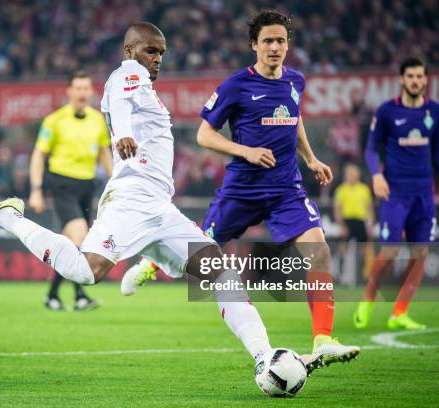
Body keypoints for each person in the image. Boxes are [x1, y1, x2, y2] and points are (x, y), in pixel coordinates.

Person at [0, 22, 322, 375]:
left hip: (160, 209)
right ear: (130, 50)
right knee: (86, 272)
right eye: (151, 50)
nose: (157, 59)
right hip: (131, 201)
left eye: (161, 53)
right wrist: (126, 135)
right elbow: (119, 103)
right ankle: (7, 216)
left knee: (222, 273)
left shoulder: (147, 90)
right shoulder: (126, 74)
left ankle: (264, 359)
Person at [122, 9, 360, 366]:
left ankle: (323, 339)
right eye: (268, 41)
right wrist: (245, 150)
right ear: (254, 45)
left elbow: (293, 119)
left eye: (281, 40)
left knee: (319, 250)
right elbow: (204, 134)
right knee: (201, 245)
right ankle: (152, 264)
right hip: (242, 190)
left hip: (286, 189)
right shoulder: (236, 85)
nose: (275, 47)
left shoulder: (296, 80)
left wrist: (310, 158)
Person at [353, 57, 438, 330]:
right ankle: (367, 300)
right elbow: (370, 149)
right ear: (402, 79)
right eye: (410, 76)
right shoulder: (388, 111)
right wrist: (376, 175)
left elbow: (436, 154)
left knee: (421, 252)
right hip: (394, 191)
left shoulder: (434, 112)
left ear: (426, 80)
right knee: (390, 250)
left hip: (424, 193)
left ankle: (399, 312)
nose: (416, 81)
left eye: (420, 77)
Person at [29, 70, 112, 311]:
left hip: (87, 186)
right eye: (78, 88)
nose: (82, 92)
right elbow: (38, 155)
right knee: (81, 238)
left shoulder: (97, 119)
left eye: (86, 88)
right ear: (69, 91)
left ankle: (53, 295)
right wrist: (36, 189)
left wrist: (116, 181)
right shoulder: (54, 120)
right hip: (62, 184)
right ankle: (81, 295)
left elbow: (104, 152)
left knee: (71, 245)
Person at [333, 163, 374, 242]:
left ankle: (362, 254)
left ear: (358, 175)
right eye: (349, 174)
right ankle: (342, 254)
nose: (351, 176)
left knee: (363, 246)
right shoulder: (341, 190)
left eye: (353, 174)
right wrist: (342, 226)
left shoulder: (364, 189)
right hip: (346, 220)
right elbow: (337, 210)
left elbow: (369, 208)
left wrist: (370, 225)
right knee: (343, 245)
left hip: (361, 221)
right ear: (346, 175)